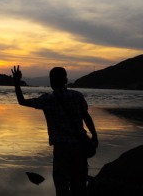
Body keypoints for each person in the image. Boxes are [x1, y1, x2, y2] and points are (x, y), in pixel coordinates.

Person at [11, 65, 98, 196]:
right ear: (66, 80)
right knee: (79, 184)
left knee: (61, 184)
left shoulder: (47, 99)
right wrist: (95, 136)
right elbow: (86, 116)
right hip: (79, 145)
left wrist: (17, 82)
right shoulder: (77, 96)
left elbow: (21, 101)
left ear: (51, 82)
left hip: (61, 147)